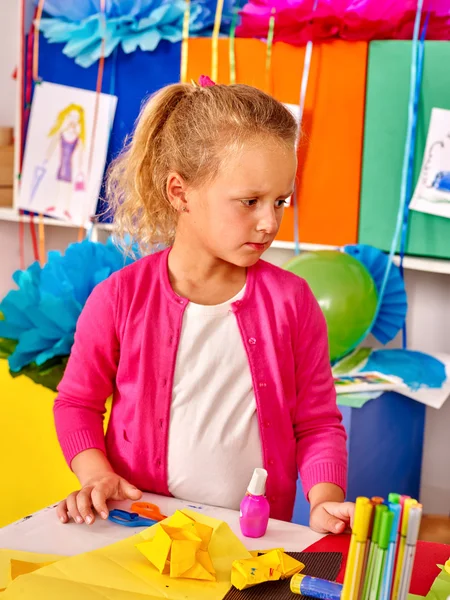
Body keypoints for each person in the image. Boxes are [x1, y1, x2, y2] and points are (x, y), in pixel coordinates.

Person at [54, 76, 353, 534]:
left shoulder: (293, 303)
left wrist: (324, 500)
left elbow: (316, 423)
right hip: (138, 524)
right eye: (250, 201)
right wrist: (96, 474)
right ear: (180, 192)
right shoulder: (119, 298)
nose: (269, 221)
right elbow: (77, 403)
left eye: (280, 201)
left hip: (254, 536)